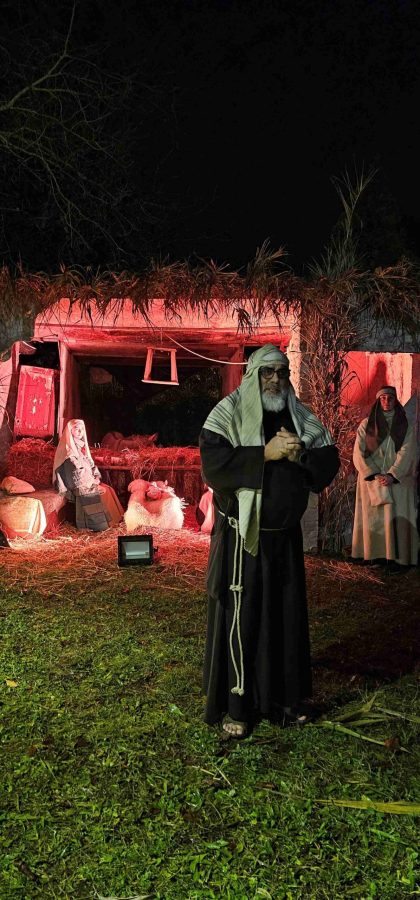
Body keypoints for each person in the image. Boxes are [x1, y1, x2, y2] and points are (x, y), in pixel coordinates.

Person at [199, 344, 340, 738]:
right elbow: (214, 466)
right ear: (253, 375)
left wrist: (299, 456)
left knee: (285, 620)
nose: (276, 379)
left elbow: (328, 461)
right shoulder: (227, 413)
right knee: (243, 619)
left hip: (285, 543)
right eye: (267, 372)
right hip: (244, 540)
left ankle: (285, 701)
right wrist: (265, 452)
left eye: (282, 371)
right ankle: (238, 707)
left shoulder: (300, 415)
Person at [351, 386, 418, 572]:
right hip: (372, 480)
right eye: (383, 398)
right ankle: (374, 555)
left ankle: (398, 559)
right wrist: (374, 474)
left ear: (396, 400)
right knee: (374, 519)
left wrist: (392, 474)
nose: (387, 401)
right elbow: (358, 452)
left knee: (397, 518)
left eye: (390, 398)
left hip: (397, 479)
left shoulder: (405, 425)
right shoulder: (366, 425)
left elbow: (407, 451)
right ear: (378, 401)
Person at [53, 419, 123, 531]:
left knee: (109, 489)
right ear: (70, 431)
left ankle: (115, 521)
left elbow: (90, 463)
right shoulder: (68, 450)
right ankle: (99, 525)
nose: (80, 432)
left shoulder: (81, 447)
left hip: (87, 480)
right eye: (77, 429)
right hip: (77, 483)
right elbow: (75, 473)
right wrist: (92, 481)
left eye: (82, 429)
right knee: (103, 492)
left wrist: (96, 476)